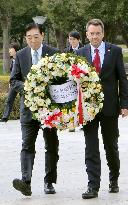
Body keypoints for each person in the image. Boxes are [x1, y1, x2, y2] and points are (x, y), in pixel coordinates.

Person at [76, 19, 128, 199]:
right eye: (91, 33)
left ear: (103, 33)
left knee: (111, 146)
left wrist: (124, 104)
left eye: (98, 33)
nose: (95, 36)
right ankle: (93, 186)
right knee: (91, 148)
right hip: (88, 109)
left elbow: (122, 78)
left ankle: (114, 179)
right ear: (87, 35)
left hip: (110, 107)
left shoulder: (114, 51)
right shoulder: (81, 52)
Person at [10, 22, 59, 196]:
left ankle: (49, 182)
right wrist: (29, 88)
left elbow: (61, 78)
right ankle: (26, 182)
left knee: (51, 146)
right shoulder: (21, 55)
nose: (32, 40)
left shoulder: (53, 54)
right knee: (26, 146)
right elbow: (14, 80)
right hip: (28, 110)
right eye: (29, 37)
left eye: (36, 37)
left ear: (43, 35)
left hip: (49, 111)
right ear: (26, 38)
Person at [64, 31, 83, 132]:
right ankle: (71, 124)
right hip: (70, 79)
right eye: (70, 39)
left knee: (82, 101)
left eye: (74, 39)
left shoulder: (85, 49)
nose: (71, 41)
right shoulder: (66, 51)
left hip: (82, 79)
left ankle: (83, 122)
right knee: (70, 101)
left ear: (78, 40)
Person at [0, 43, 20, 122]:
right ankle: (5, 117)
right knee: (9, 100)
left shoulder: (21, 59)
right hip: (13, 84)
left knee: (25, 101)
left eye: (10, 49)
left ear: (15, 50)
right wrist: (10, 82)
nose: (9, 51)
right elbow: (12, 73)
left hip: (21, 84)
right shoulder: (13, 60)